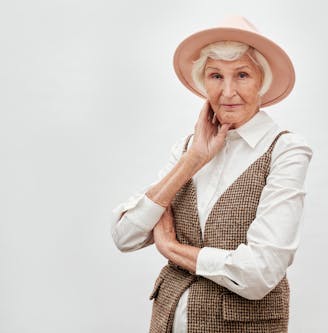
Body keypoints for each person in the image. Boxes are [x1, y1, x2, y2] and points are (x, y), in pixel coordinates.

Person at [110, 15, 312, 333]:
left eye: (242, 75)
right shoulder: (190, 148)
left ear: (263, 82)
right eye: (216, 76)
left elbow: (261, 272)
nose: (228, 91)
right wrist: (192, 161)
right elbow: (125, 235)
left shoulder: (285, 150)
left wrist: (172, 249)